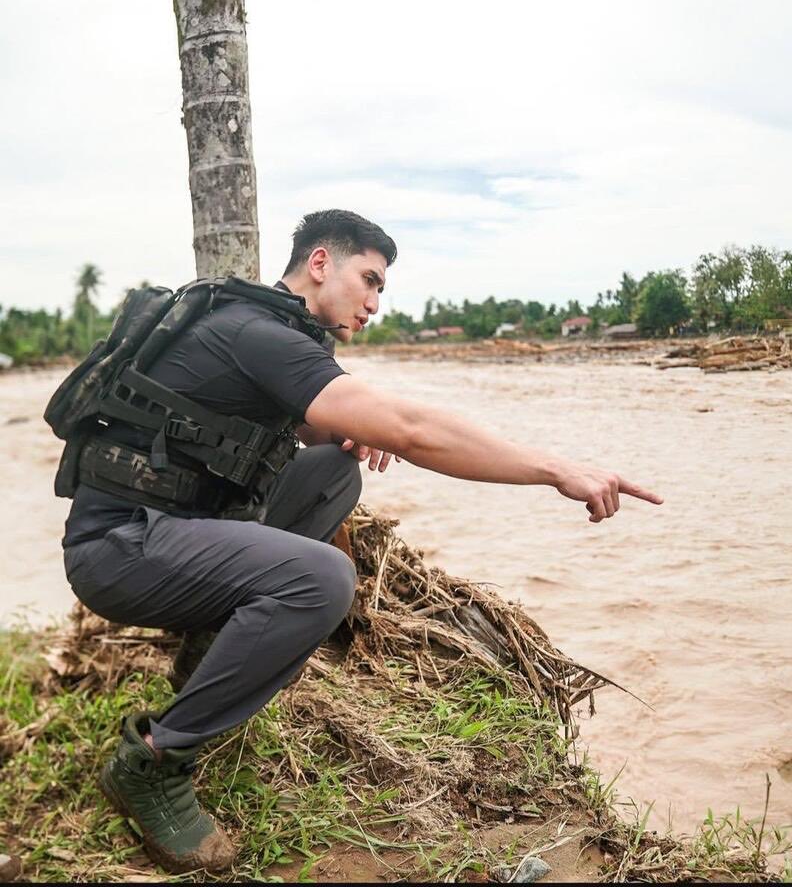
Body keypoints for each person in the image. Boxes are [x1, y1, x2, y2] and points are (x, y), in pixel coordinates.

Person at [61, 208, 663, 874]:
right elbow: (411, 427)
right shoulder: (258, 333)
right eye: (369, 281)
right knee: (320, 579)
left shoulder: (278, 333)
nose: (374, 303)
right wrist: (556, 469)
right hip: (119, 548)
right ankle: (155, 760)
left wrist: (340, 430)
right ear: (320, 264)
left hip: (175, 530)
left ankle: (208, 668)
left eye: (383, 291)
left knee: (331, 472)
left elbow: (261, 436)